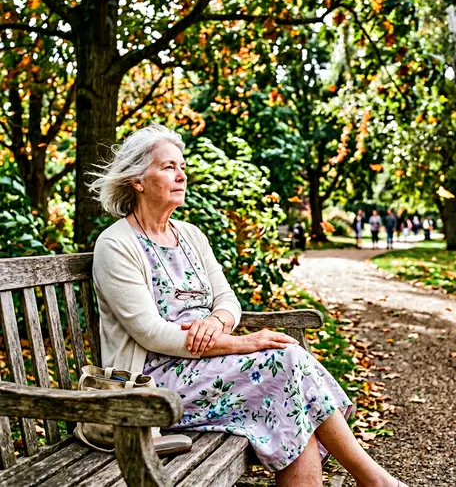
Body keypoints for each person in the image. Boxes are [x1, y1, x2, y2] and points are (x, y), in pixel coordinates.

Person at [88, 123, 407, 487]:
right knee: (284, 364)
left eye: (182, 167)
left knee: (287, 394)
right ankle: (375, 480)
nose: (181, 175)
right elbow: (151, 333)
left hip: (208, 366)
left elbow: (227, 300)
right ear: (138, 180)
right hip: (152, 387)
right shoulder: (116, 244)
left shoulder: (190, 235)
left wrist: (218, 322)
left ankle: (375, 481)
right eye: (168, 167)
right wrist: (244, 341)